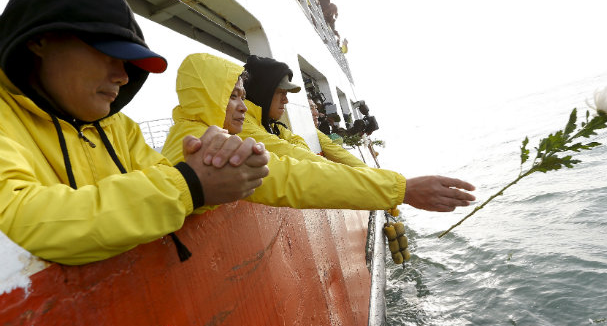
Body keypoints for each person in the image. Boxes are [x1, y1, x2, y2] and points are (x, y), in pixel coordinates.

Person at [0, 0, 269, 265]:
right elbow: (17, 223)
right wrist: (191, 183)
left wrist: (221, 170)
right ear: (40, 40)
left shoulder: (121, 128)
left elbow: (178, 193)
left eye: (128, 62)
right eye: (109, 53)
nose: (123, 76)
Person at [162, 53, 477, 213]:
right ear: (209, 96)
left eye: (243, 97)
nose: (242, 106)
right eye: (232, 96)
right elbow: (291, 175)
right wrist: (399, 189)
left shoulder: (208, 132)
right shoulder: (204, 143)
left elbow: (303, 158)